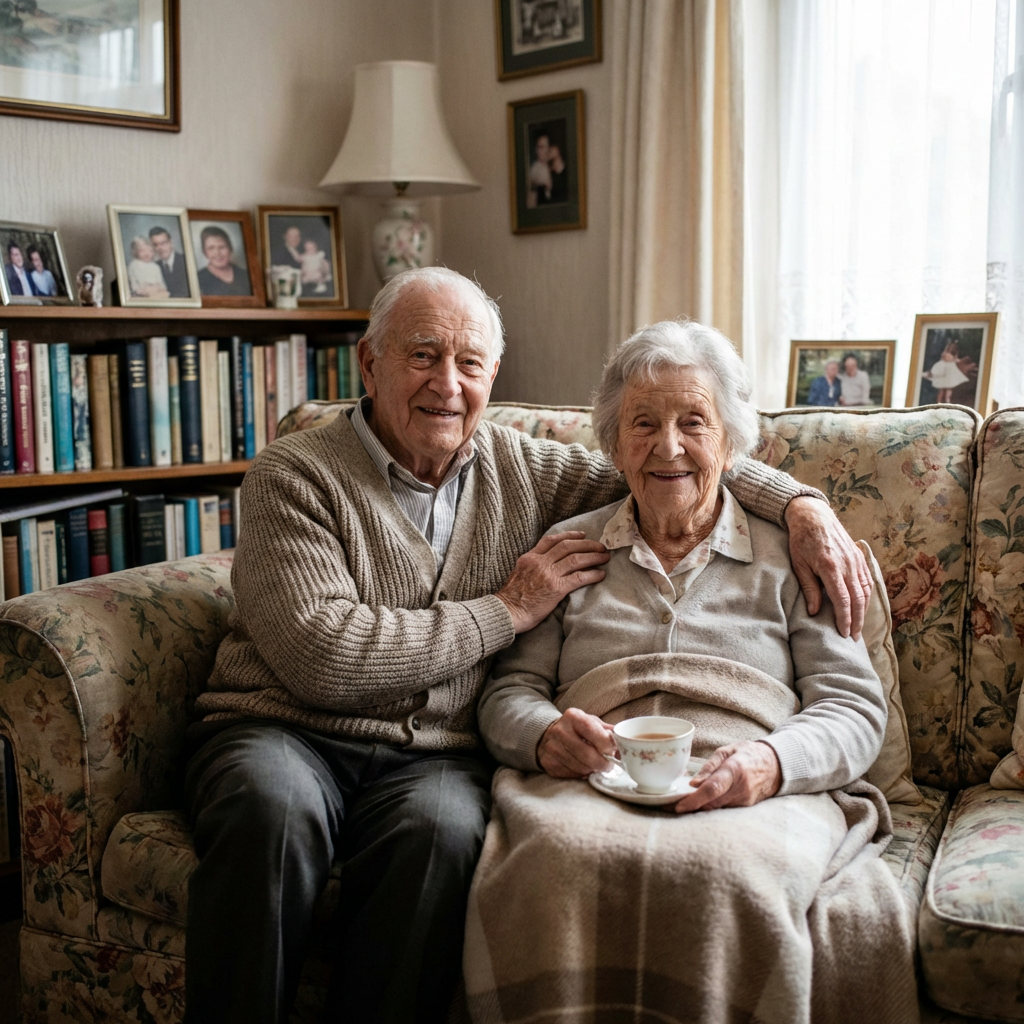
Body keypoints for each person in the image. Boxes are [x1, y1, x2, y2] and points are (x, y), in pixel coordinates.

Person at [183, 268, 873, 1024]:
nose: (447, 385)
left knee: (442, 835)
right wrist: (506, 611)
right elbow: (324, 657)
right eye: (422, 356)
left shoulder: (524, 467)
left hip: (429, 757)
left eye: (469, 363)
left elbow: (667, 467)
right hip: (287, 730)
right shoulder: (294, 474)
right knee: (271, 810)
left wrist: (803, 505)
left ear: (493, 377)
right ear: (368, 363)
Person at [469, 320, 915, 1024]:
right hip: (596, 781)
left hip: (755, 788)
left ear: (732, 443)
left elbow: (853, 708)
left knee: (723, 874)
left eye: (694, 422)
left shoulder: (793, 555)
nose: (667, 445)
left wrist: (771, 762)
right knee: (555, 859)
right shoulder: (568, 549)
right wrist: (546, 734)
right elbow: (507, 693)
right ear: (615, 444)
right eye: (643, 422)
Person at [196, 225, 252, 297]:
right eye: (211, 248)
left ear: (230, 249)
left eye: (222, 247)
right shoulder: (198, 279)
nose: (217, 253)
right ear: (205, 252)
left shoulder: (245, 275)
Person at [527, 132, 567, 208]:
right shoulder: (536, 169)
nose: (538, 151)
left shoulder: (556, 168)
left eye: (542, 147)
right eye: (538, 148)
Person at [149, 225, 190, 297]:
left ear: (171, 242)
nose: (160, 248)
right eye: (155, 245)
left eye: (163, 243)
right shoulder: (154, 267)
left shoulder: (186, 261)